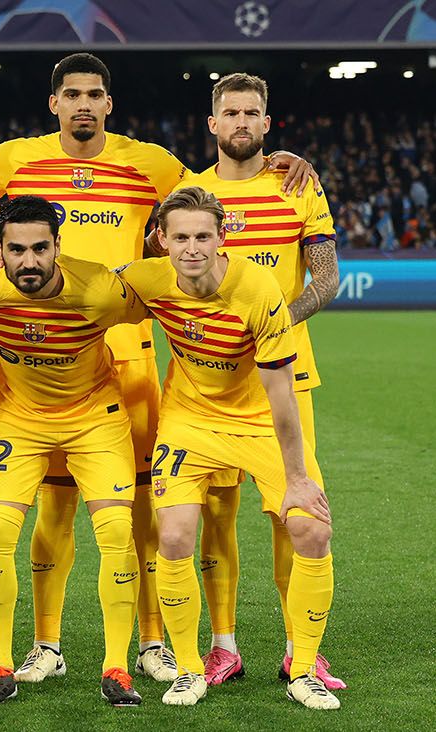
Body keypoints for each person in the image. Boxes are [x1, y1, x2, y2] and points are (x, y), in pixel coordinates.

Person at [0, 53, 319, 684]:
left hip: (129, 362)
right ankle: (46, 644)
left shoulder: (151, 163)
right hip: (35, 367)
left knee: (141, 514)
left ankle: (151, 643)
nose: (83, 104)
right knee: (53, 511)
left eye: (94, 94)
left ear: (107, 103)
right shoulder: (11, 161)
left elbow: (214, 187)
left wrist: (280, 160)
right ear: (54, 103)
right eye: (72, 94)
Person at [0, 195, 146, 706]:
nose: (29, 261)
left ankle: (117, 667)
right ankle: (0, 667)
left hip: (95, 417)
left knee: (115, 534)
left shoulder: (100, 289)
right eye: (16, 250)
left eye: (41, 248)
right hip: (19, 420)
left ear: (58, 246)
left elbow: (169, 294)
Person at [119, 187, 338, 710]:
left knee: (311, 528)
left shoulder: (258, 289)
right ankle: (188, 669)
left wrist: (297, 479)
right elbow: (80, 287)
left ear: (223, 237)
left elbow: (281, 393)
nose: (192, 248)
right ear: (161, 240)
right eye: (180, 238)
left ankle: (304, 670)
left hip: (259, 420)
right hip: (189, 422)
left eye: (202, 236)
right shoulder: (146, 278)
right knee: (174, 535)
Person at [176, 73, 344, 689]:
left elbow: (326, 278)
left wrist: (274, 324)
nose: (241, 122)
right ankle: (223, 646)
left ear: (267, 124)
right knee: (216, 516)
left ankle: (302, 649)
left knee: (293, 512)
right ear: (213, 123)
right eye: (231, 113)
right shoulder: (191, 193)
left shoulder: (298, 184)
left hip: (285, 378)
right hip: (208, 386)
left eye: (252, 113)